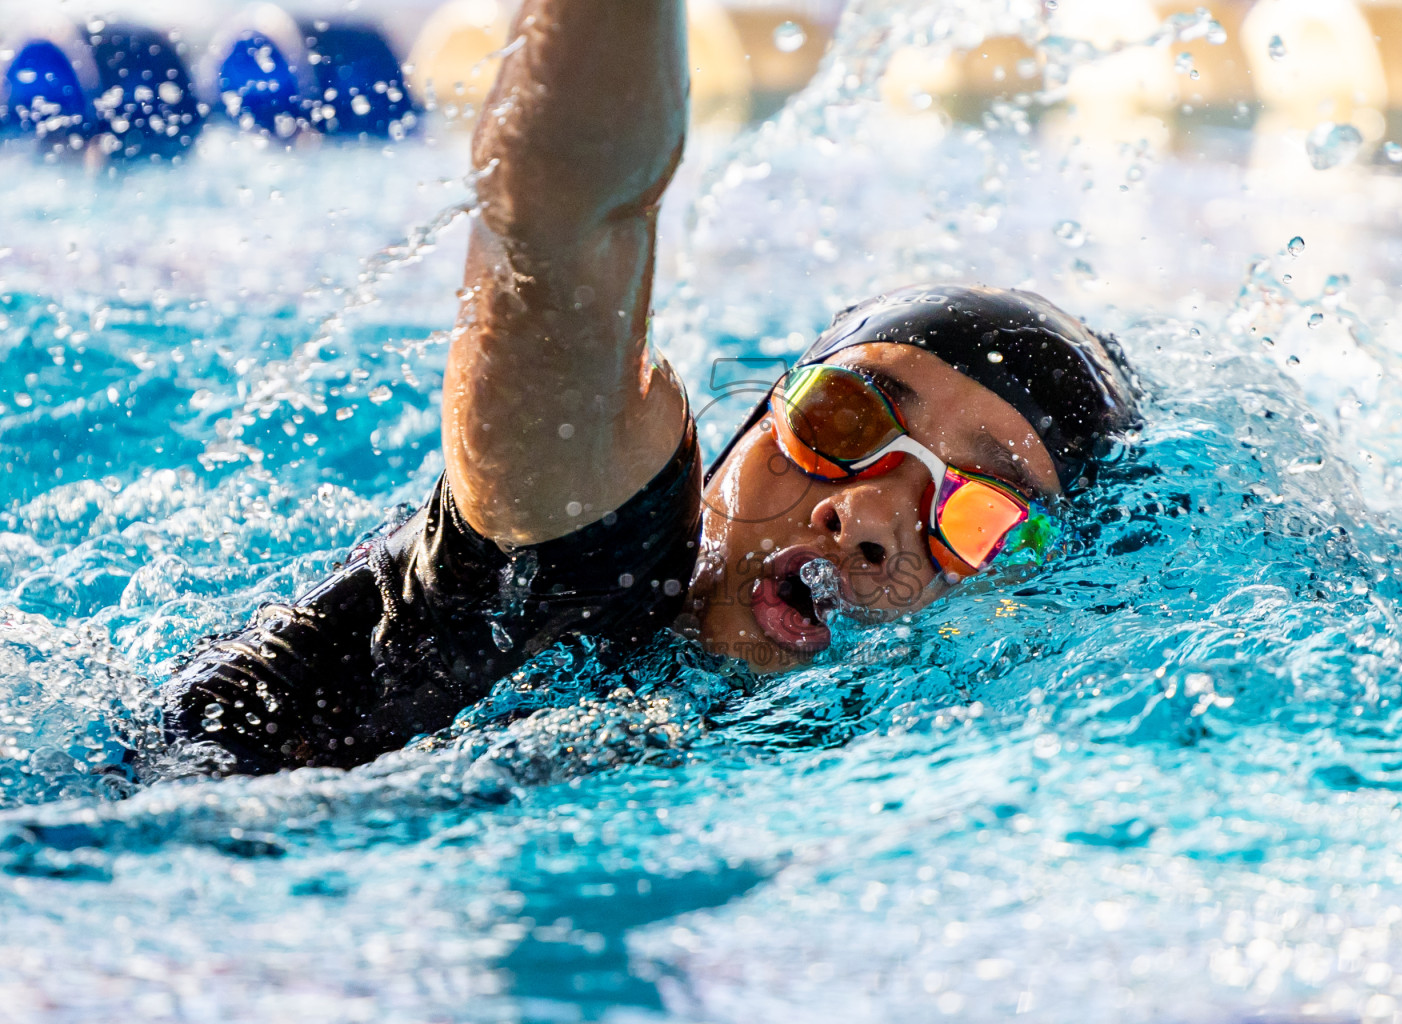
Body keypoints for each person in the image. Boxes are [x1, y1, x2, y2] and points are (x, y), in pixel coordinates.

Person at [161, 0, 1139, 775]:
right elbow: (567, 219)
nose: (869, 513)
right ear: (751, 425)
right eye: (846, 417)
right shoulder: (586, 557)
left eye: (979, 517)